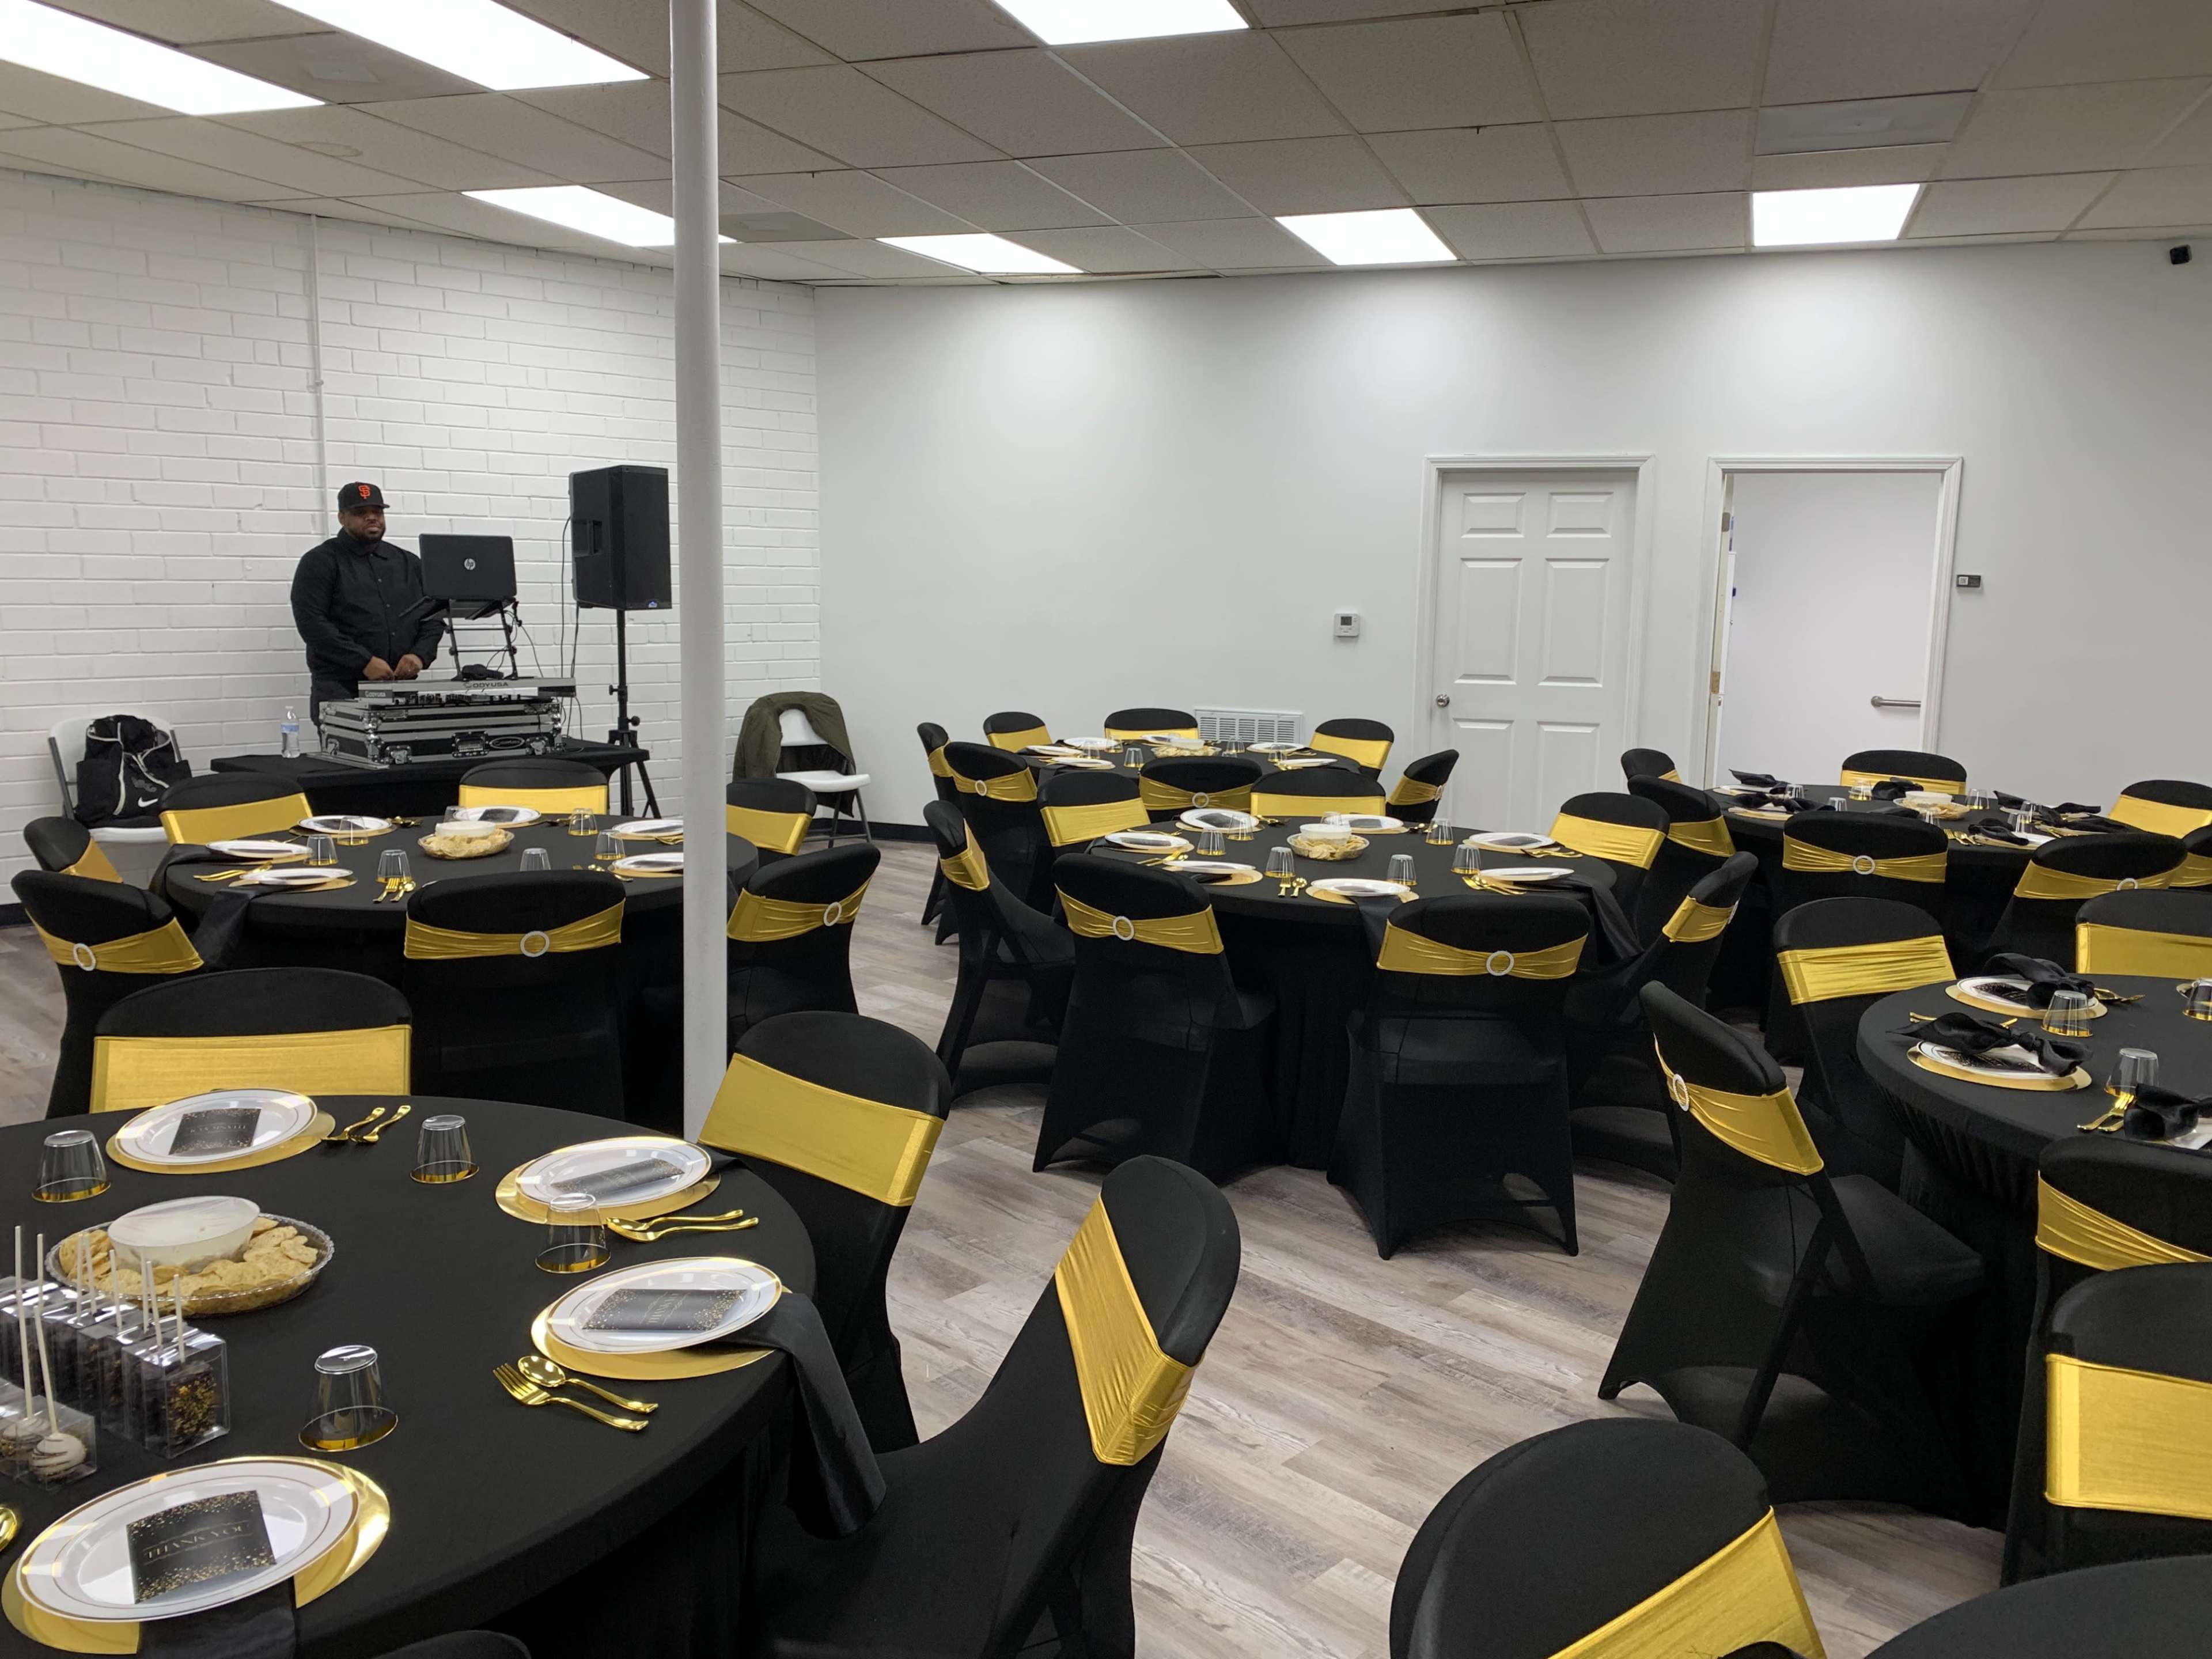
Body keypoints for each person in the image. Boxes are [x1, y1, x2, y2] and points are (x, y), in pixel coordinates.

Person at [290, 481, 445, 724]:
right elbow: (312, 624)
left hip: (400, 687)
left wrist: (419, 655)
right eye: (361, 513)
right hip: (340, 688)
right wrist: (364, 662)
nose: (372, 517)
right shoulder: (320, 562)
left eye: (377, 512)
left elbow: (434, 617)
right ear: (342, 518)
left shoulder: (409, 563)